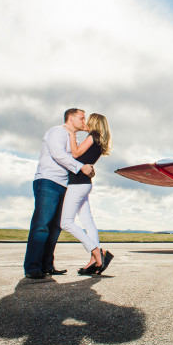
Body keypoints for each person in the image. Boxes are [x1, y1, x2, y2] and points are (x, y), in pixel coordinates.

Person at [24, 109, 95, 279]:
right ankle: (32, 267)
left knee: (55, 227)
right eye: (81, 118)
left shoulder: (72, 138)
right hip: (48, 181)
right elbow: (58, 154)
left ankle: (47, 265)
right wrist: (80, 168)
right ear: (70, 119)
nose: (84, 121)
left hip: (63, 184)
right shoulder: (57, 132)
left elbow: (76, 155)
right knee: (42, 225)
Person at [60, 113, 113, 275]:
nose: (85, 122)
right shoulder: (98, 139)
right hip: (84, 184)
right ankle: (94, 260)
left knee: (66, 222)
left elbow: (75, 154)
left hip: (78, 184)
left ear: (94, 123)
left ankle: (97, 252)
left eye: (87, 119)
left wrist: (70, 133)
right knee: (87, 222)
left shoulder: (93, 136)